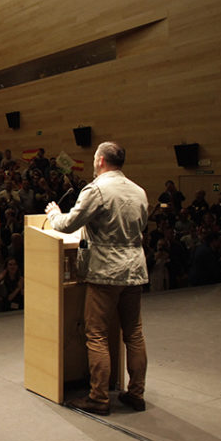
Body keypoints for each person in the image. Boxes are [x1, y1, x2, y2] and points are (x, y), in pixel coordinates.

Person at [45, 141, 148, 415]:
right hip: (135, 270)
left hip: (106, 272)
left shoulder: (97, 189)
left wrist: (54, 214)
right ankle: (136, 393)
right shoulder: (139, 191)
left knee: (97, 334)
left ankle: (99, 397)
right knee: (134, 334)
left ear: (100, 160)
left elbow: (68, 225)